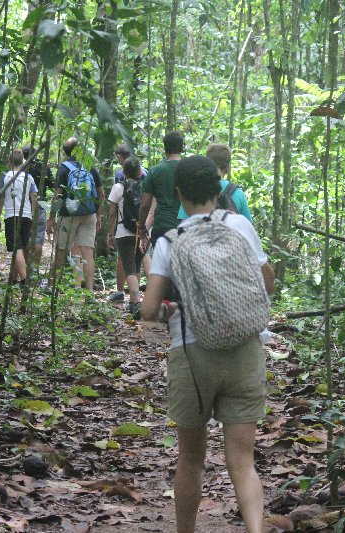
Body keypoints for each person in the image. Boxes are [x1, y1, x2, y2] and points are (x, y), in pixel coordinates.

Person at [140, 156, 274, 533]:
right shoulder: (241, 225)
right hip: (245, 351)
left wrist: (174, 308)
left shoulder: (170, 240)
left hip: (192, 355)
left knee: (191, 460)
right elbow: (268, 283)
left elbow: (149, 310)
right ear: (218, 189)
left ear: (179, 194)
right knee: (243, 462)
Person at [46, 137, 104, 291]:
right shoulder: (90, 166)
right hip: (89, 213)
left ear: (65, 152)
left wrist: (51, 218)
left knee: (61, 250)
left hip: (68, 214)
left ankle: (54, 287)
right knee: (87, 253)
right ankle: (88, 290)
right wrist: (98, 215)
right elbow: (101, 194)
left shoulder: (64, 167)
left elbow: (58, 195)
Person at [110, 143, 150, 302]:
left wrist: (110, 233)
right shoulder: (147, 180)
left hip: (124, 230)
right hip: (142, 229)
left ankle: (134, 300)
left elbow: (112, 211)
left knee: (129, 269)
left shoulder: (119, 184)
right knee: (137, 265)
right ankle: (135, 300)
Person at [177, 143, 253, 222]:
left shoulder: (195, 187)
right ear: (228, 169)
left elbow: (184, 222)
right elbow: (248, 225)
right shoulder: (238, 193)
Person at [137, 131, 183, 252]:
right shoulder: (191, 169)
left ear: (165, 148)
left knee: (163, 268)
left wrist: (142, 227)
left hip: (163, 226)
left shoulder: (155, 171)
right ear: (181, 148)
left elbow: (145, 205)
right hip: (186, 226)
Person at [0, 149, 39, 284]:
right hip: (26, 216)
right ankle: (14, 279)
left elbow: (1, 198)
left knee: (17, 248)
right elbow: (34, 197)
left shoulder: (5, 177)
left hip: (11, 215)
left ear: (9, 161)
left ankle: (25, 280)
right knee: (20, 246)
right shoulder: (29, 177)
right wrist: (32, 214)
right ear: (22, 161)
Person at [22, 144, 53, 269]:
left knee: (25, 238)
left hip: (23, 206)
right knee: (38, 238)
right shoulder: (43, 166)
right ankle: (34, 270)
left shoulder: (21, 168)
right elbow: (53, 185)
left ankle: (24, 268)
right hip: (40, 204)